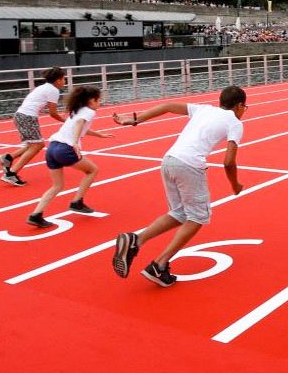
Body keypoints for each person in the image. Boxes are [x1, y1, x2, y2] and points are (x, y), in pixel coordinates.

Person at [110, 85, 247, 287]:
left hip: (169, 160)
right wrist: (235, 184)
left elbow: (167, 106)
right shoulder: (235, 122)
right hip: (189, 165)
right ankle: (159, 264)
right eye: (245, 108)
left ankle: (135, 240)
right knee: (198, 217)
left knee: (180, 213)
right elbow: (228, 161)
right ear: (239, 106)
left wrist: (136, 119)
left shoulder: (204, 109)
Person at [25, 86, 113, 228]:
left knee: (57, 185)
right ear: (91, 100)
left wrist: (99, 135)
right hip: (65, 149)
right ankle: (77, 202)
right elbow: (79, 125)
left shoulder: (76, 110)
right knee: (92, 170)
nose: (100, 103)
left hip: (52, 148)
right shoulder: (90, 112)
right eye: (98, 100)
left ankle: (36, 215)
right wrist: (75, 142)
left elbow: (80, 126)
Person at [0, 67, 66, 186]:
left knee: (31, 145)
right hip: (27, 117)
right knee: (38, 145)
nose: (65, 81)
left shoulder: (43, 87)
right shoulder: (53, 90)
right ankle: (11, 174)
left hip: (20, 115)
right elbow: (53, 113)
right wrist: (66, 121)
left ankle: (8, 157)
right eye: (64, 79)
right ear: (58, 80)